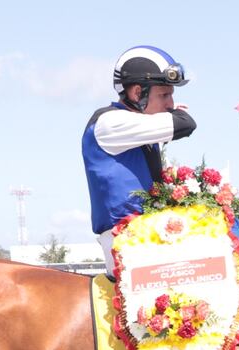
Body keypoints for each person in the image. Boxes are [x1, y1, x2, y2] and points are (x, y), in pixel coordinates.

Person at [83, 46, 197, 276]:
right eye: (164, 95)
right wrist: (172, 115)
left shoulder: (135, 125)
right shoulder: (111, 122)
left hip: (148, 235)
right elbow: (185, 123)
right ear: (137, 93)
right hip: (127, 241)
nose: (170, 104)